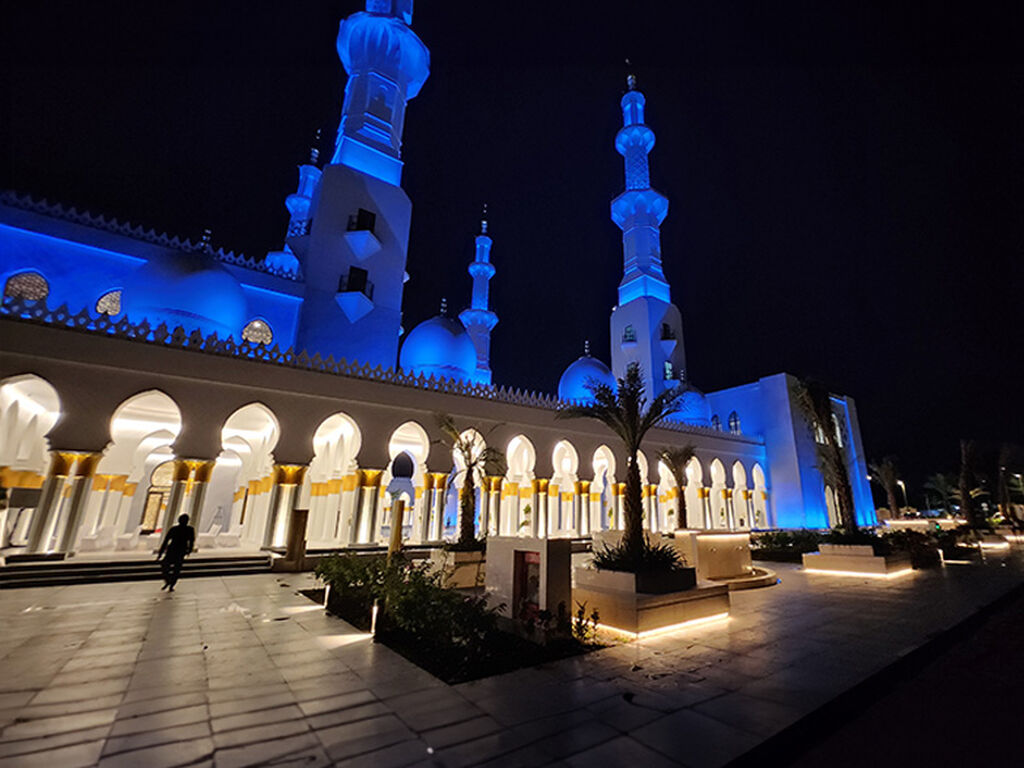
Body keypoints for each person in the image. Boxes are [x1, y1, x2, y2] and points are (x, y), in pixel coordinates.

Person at [156, 514, 195, 591]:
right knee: (170, 567)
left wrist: (189, 550)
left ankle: (171, 584)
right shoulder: (176, 529)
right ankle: (169, 581)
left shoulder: (187, 530)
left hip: (178, 550)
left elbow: (191, 541)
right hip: (175, 550)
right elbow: (166, 541)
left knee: (175, 568)